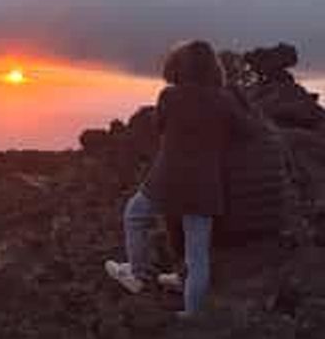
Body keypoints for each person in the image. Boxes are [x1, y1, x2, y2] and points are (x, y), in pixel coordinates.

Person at [104, 40, 255, 316]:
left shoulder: (169, 96)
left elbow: (159, 126)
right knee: (198, 255)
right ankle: (191, 313)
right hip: (205, 186)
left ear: (180, 66)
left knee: (134, 216)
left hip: (166, 180)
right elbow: (247, 131)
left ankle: (137, 274)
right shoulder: (224, 101)